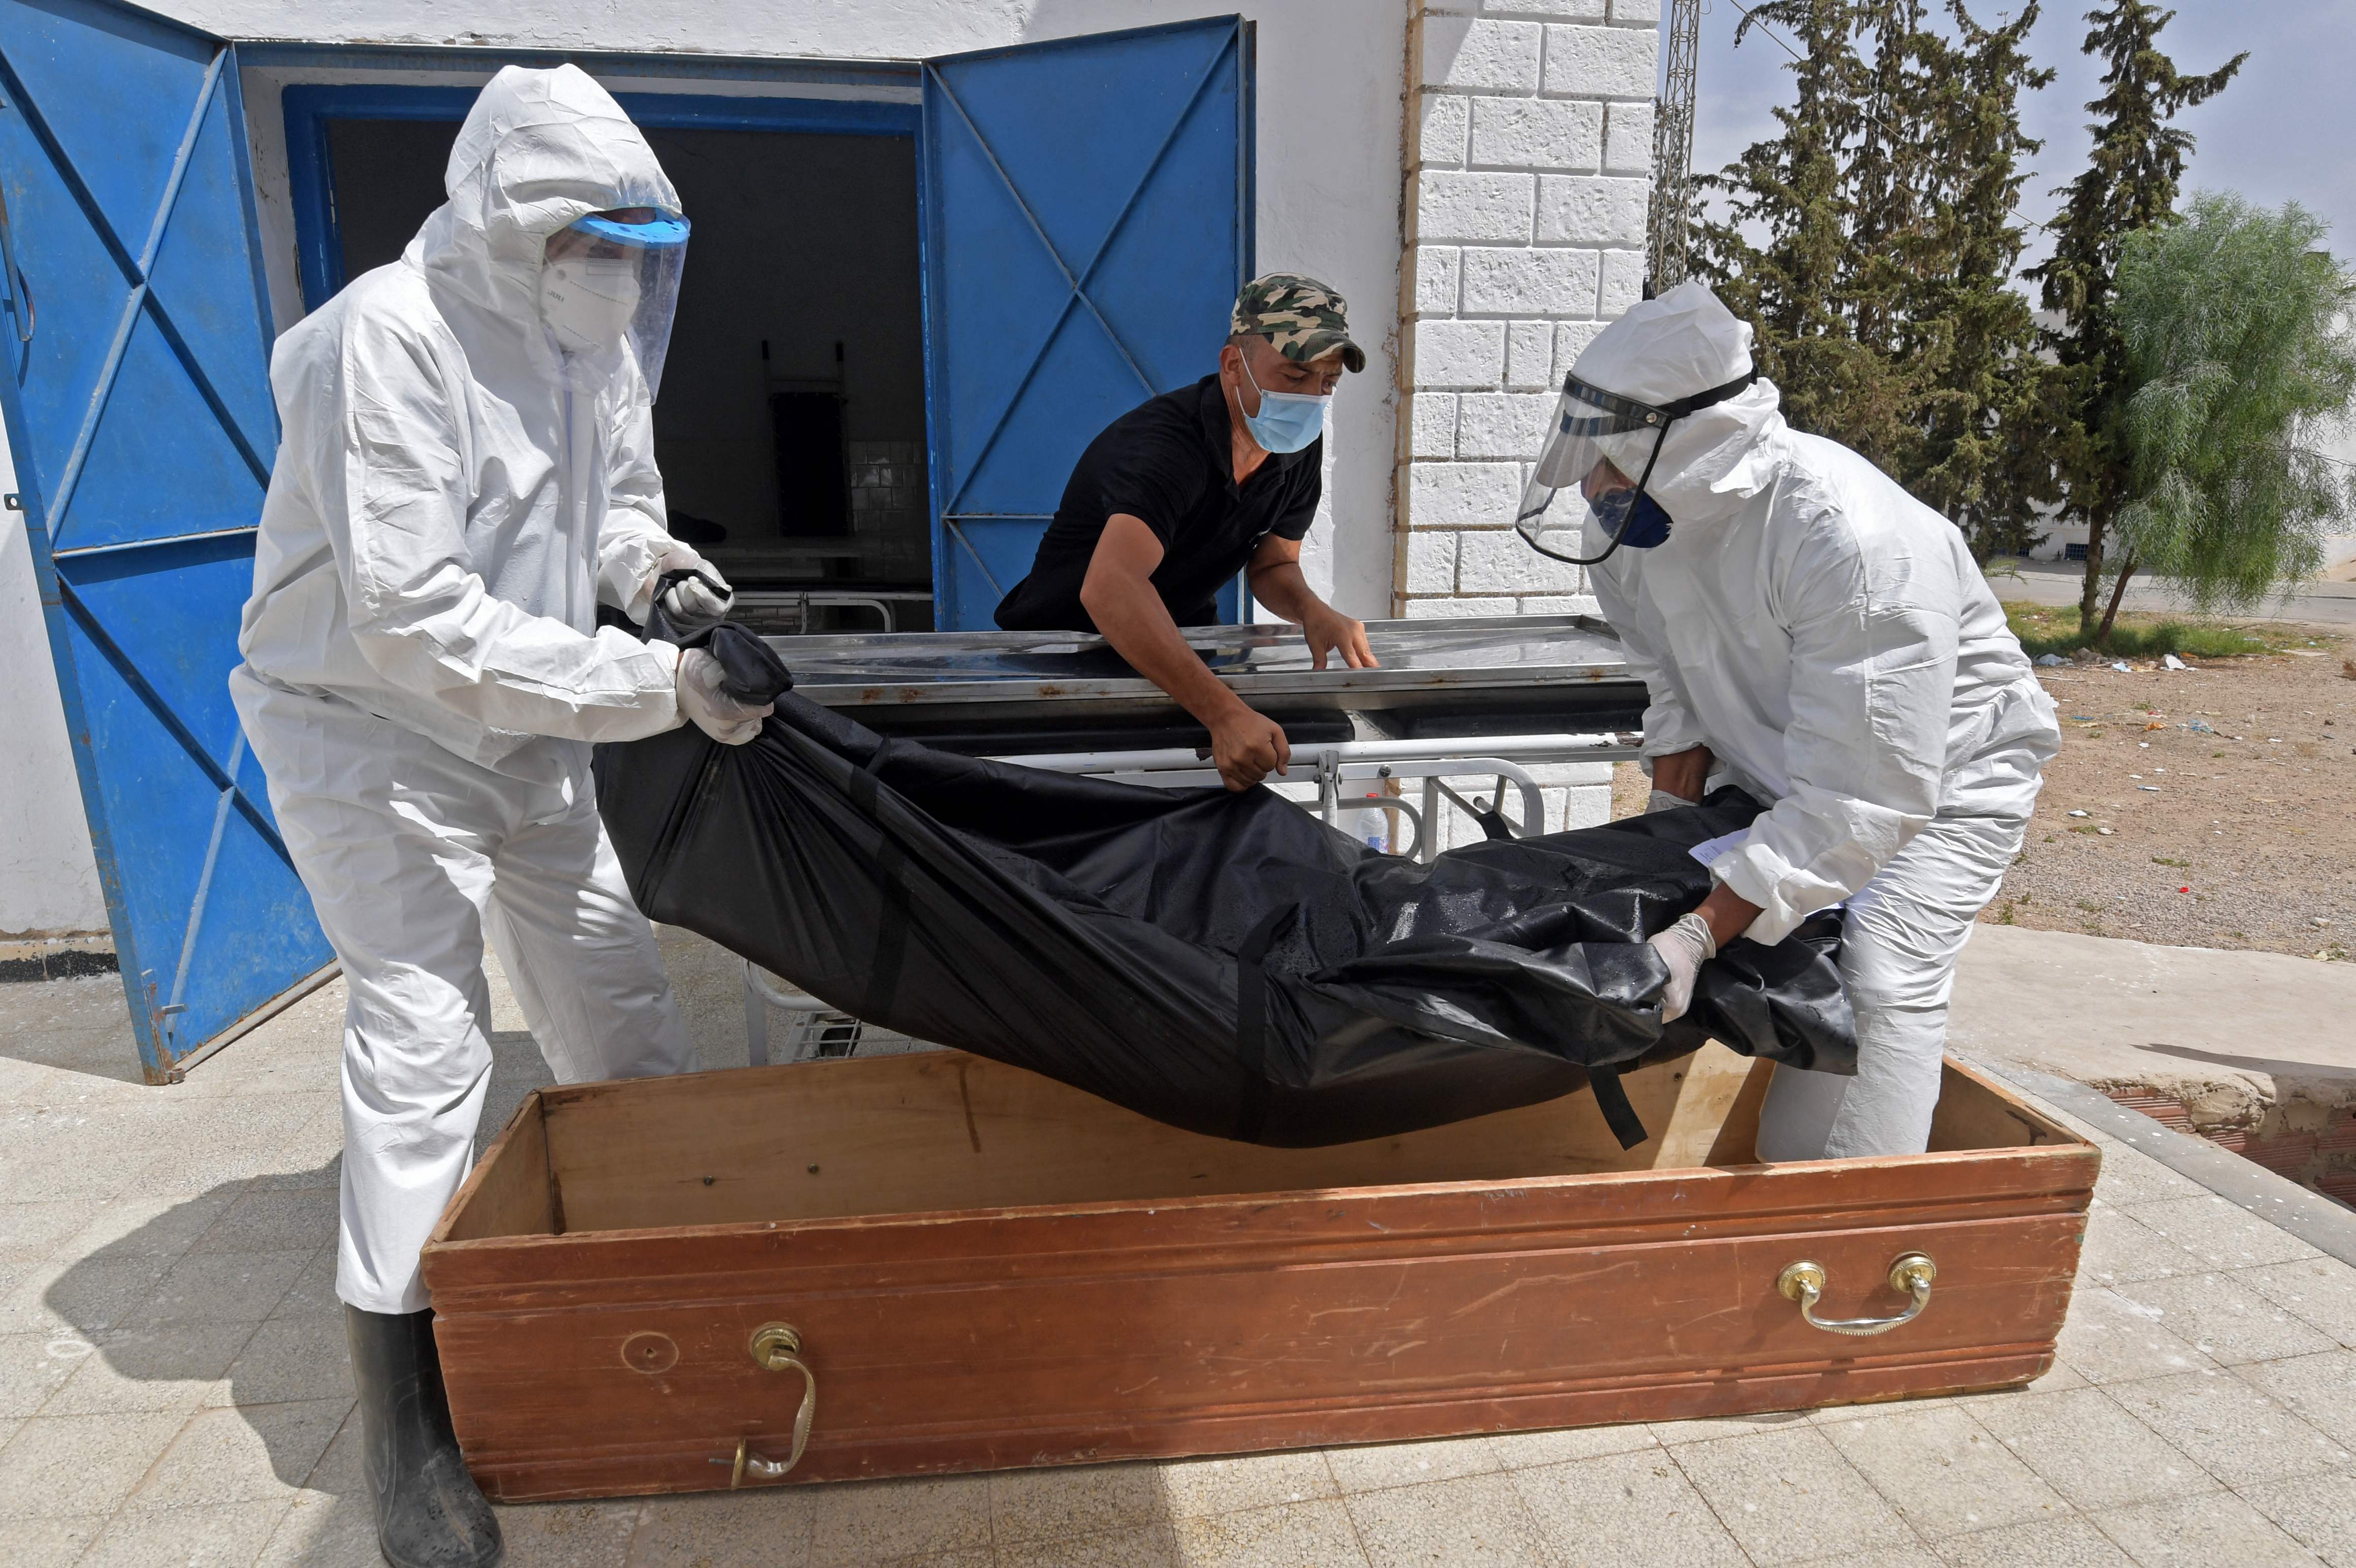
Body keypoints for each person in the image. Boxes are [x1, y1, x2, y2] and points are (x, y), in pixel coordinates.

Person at [230, 65, 771, 1568]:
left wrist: (664, 583)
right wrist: (660, 686)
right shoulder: (378, 345)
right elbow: (412, 622)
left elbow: (611, 509)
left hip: (522, 719)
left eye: (633, 253)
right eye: (592, 244)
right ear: (509, 225)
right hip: (363, 731)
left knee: (614, 990)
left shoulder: (580, 343)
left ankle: (648, 1276)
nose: (616, 277)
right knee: (424, 1042)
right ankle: (406, 1423)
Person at [1514, 279, 2059, 1162]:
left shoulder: (1849, 538)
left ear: (1693, 443)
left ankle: (1840, 1225)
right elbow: (1674, 689)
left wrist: (1699, 929)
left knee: (1880, 975)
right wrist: (1667, 834)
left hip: (1939, 784)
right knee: (1713, 916)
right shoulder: (1634, 531)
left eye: (1613, 456)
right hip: (1778, 762)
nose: (1593, 483)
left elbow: (1864, 795)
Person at [994, 274, 1378, 791]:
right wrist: (1223, 714)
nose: (1312, 397)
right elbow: (1110, 587)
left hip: (1177, 653)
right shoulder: (1166, 449)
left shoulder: (1296, 448)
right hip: (1066, 667)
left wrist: (1312, 609)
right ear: (1232, 365)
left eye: (1327, 382)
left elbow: (1273, 564)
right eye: (1293, 376)